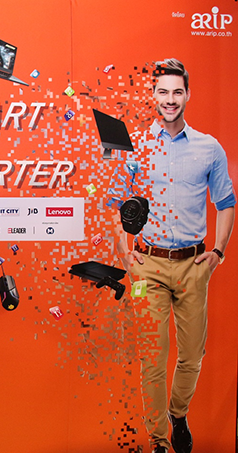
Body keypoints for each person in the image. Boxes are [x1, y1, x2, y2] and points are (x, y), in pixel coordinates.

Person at [112, 58, 235, 453]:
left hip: (193, 267)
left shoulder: (208, 148)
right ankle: (159, 440)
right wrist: (125, 254)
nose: (170, 99)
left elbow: (226, 203)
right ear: (153, 95)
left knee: (193, 356)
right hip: (146, 266)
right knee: (153, 358)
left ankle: (177, 413)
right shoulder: (135, 145)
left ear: (187, 95)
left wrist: (218, 252)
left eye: (177, 92)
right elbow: (113, 203)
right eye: (162, 91)